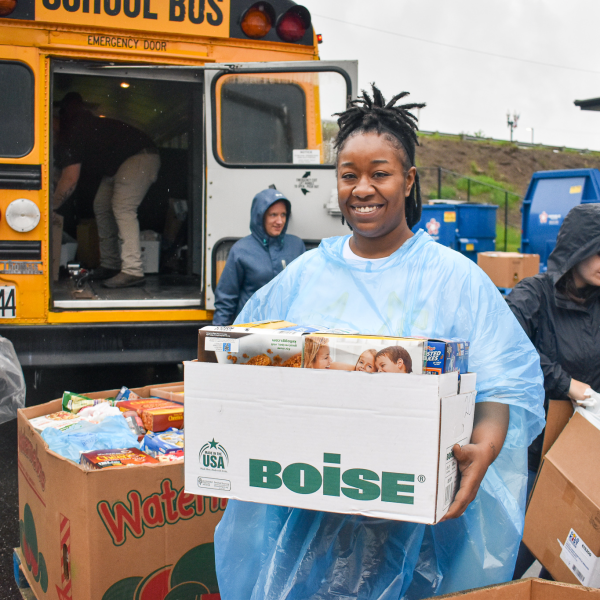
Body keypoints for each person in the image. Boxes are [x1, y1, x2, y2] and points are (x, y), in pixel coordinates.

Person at [213, 85, 545, 599]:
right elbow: (245, 363)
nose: (362, 188)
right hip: (310, 509)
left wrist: (487, 445)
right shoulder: (303, 276)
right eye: (349, 175)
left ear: (408, 180)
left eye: (380, 173)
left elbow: (503, 383)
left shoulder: (455, 279)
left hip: (420, 531)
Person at [507, 203, 600, 579]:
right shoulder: (534, 295)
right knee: (514, 553)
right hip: (532, 452)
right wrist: (566, 384)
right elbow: (510, 347)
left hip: (581, 453)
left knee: (565, 559)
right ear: (577, 247)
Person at [53, 92, 160, 289]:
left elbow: (69, 179)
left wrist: (51, 207)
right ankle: (110, 265)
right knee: (101, 205)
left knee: (123, 207)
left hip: (140, 157)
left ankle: (132, 270)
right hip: (119, 164)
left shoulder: (73, 131)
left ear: (59, 118)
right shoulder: (82, 127)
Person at [212, 188, 305, 325]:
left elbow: (306, 291)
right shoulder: (241, 250)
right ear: (260, 217)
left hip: (288, 332)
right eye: (273, 215)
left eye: (283, 215)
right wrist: (217, 338)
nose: (279, 221)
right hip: (251, 330)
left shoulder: (296, 245)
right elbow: (226, 300)